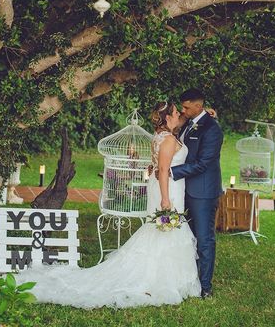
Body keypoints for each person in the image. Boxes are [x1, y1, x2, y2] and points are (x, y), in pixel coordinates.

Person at [15, 101, 200, 308]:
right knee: (165, 231)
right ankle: (164, 279)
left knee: (161, 231)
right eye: (176, 113)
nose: (179, 115)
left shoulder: (159, 137)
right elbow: (164, 169)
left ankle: (169, 275)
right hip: (169, 189)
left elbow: (154, 166)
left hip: (166, 187)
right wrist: (165, 199)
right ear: (167, 118)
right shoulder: (167, 141)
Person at [170, 88, 224, 299]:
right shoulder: (189, 123)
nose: (183, 110)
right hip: (184, 189)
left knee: (204, 238)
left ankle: (205, 286)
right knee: (187, 236)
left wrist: (171, 172)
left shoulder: (212, 129)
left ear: (198, 106)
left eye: (186, 107)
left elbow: (202, 164)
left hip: (203, 192)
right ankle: (188, 277)